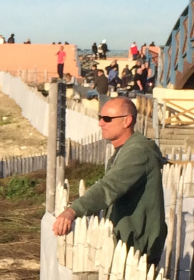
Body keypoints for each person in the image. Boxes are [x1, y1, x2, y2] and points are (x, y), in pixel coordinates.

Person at [52, 96, 167, 264]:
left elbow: (108, 188)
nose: (100, 123)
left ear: (127, 121)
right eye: (100, 117)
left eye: (107, 119)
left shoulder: (138, 153)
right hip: (128, 244)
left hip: (136, 249)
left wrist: (73, 211)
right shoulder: (126, 150)